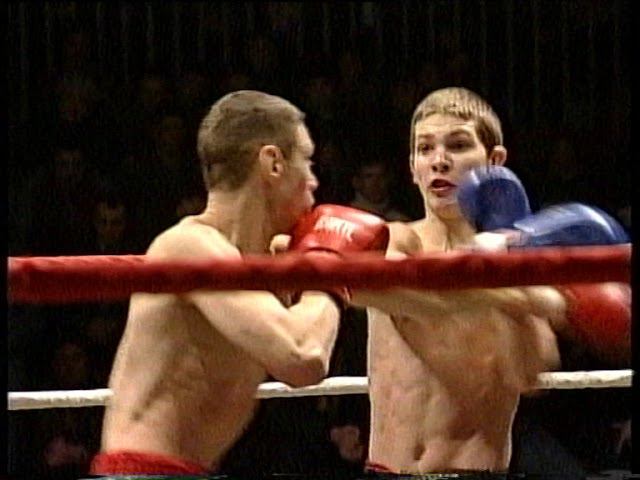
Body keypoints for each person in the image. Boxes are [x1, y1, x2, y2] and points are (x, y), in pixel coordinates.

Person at [90, 90, 388, 476]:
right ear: (273, 163)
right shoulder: (189, 247)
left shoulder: (260, 264)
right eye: (307, 160)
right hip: (143, 471)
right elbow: (302, 357)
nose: (314, 182)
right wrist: (327, 267)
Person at [349, 87, 631, 474]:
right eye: (425, 149)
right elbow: (403, 303)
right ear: (412, 167)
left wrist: (508, 274)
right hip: (383, 469)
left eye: (458, 145)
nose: (439, 161)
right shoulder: (394, 240)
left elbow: (530, 371)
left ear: (494, 161)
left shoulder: (517, 267)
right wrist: (520, 293)